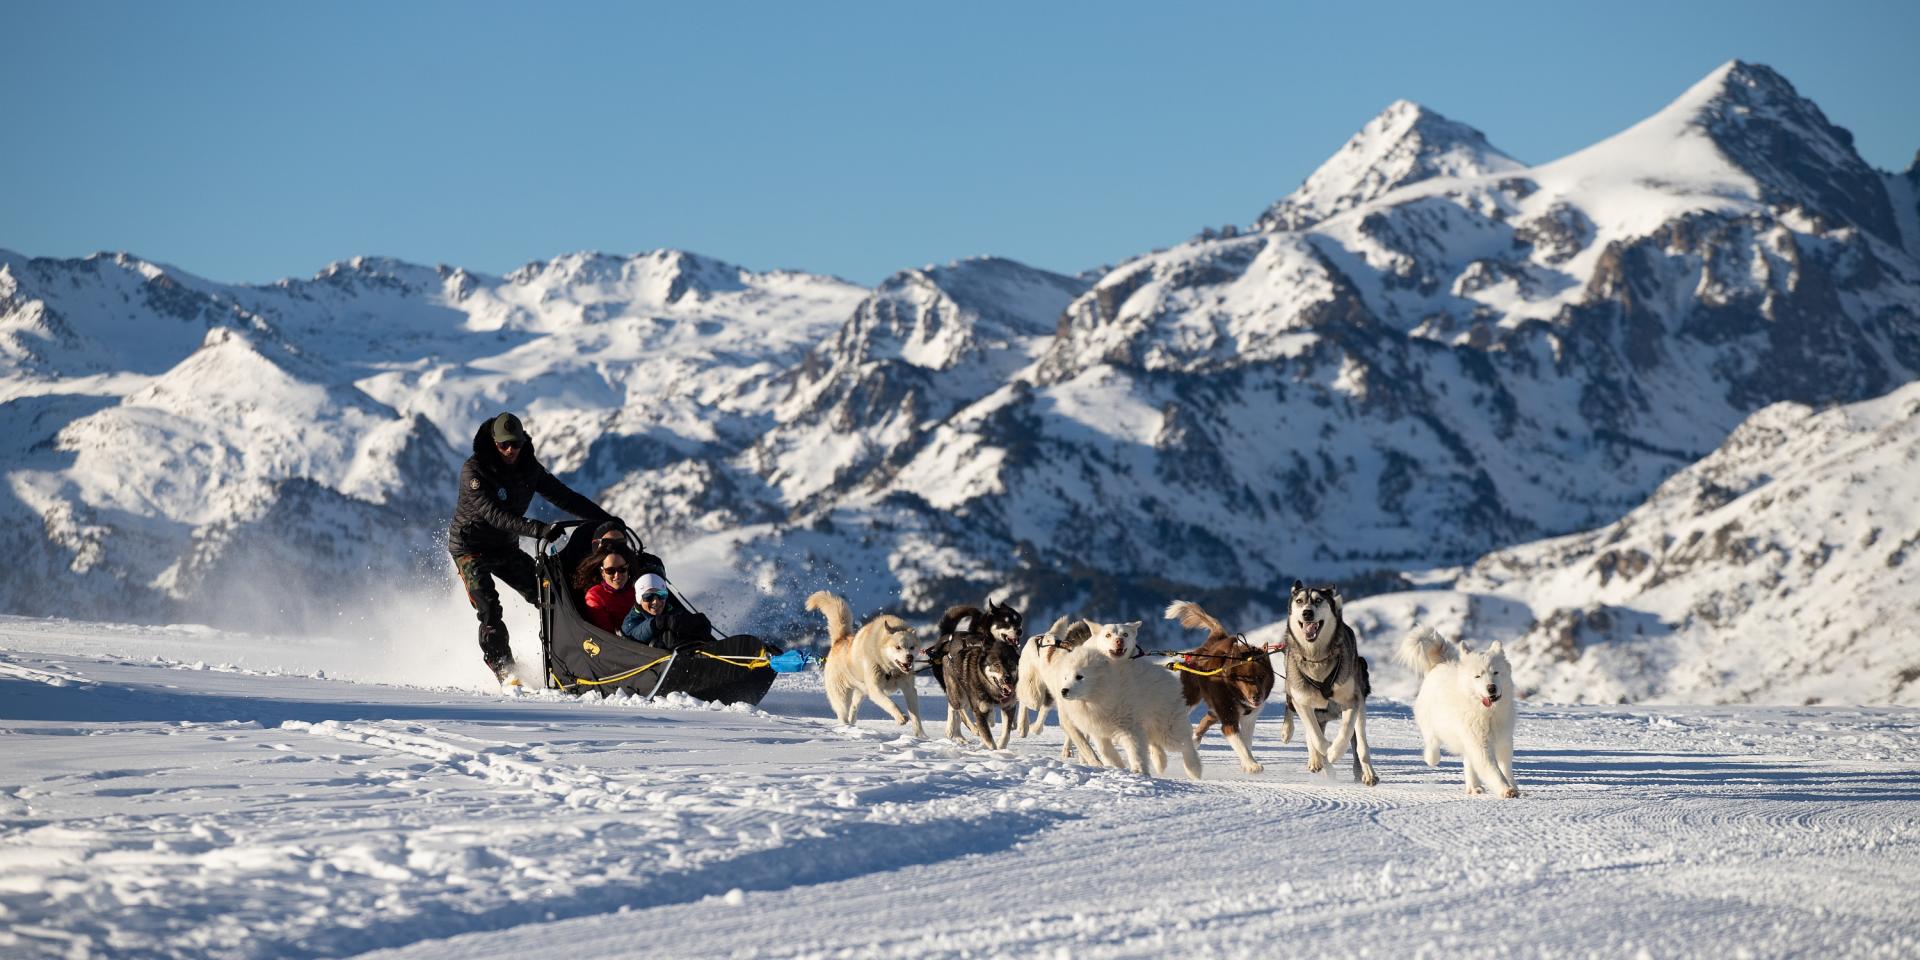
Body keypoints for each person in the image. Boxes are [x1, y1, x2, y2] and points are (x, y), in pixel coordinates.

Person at [449, 411, 618, 682]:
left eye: (515, 444)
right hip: (470, 550)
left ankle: (588, 655)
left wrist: (605, 519)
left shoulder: (529, 468)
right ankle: (505, 670)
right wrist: (540, 530)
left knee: (552, 595)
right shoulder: (475, 471)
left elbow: (564, 496)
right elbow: (495, 516)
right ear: (493, 443)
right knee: (489, 608)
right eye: (504, 444)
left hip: (505, 549)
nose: (510, 450)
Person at [576, 542, 638, 634]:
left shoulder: (638, 588)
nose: (617, 575)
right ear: (602, 573)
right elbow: (606, 635)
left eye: (622, 569)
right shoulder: (595, 596)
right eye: (610, 571)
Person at [621, 573, 693, 648]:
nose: (656, 601)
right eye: (648, 597)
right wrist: (654, 624)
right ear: (640, 599)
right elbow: (632, 632)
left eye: (661, 595)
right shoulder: (632, 619)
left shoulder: (674, 612)